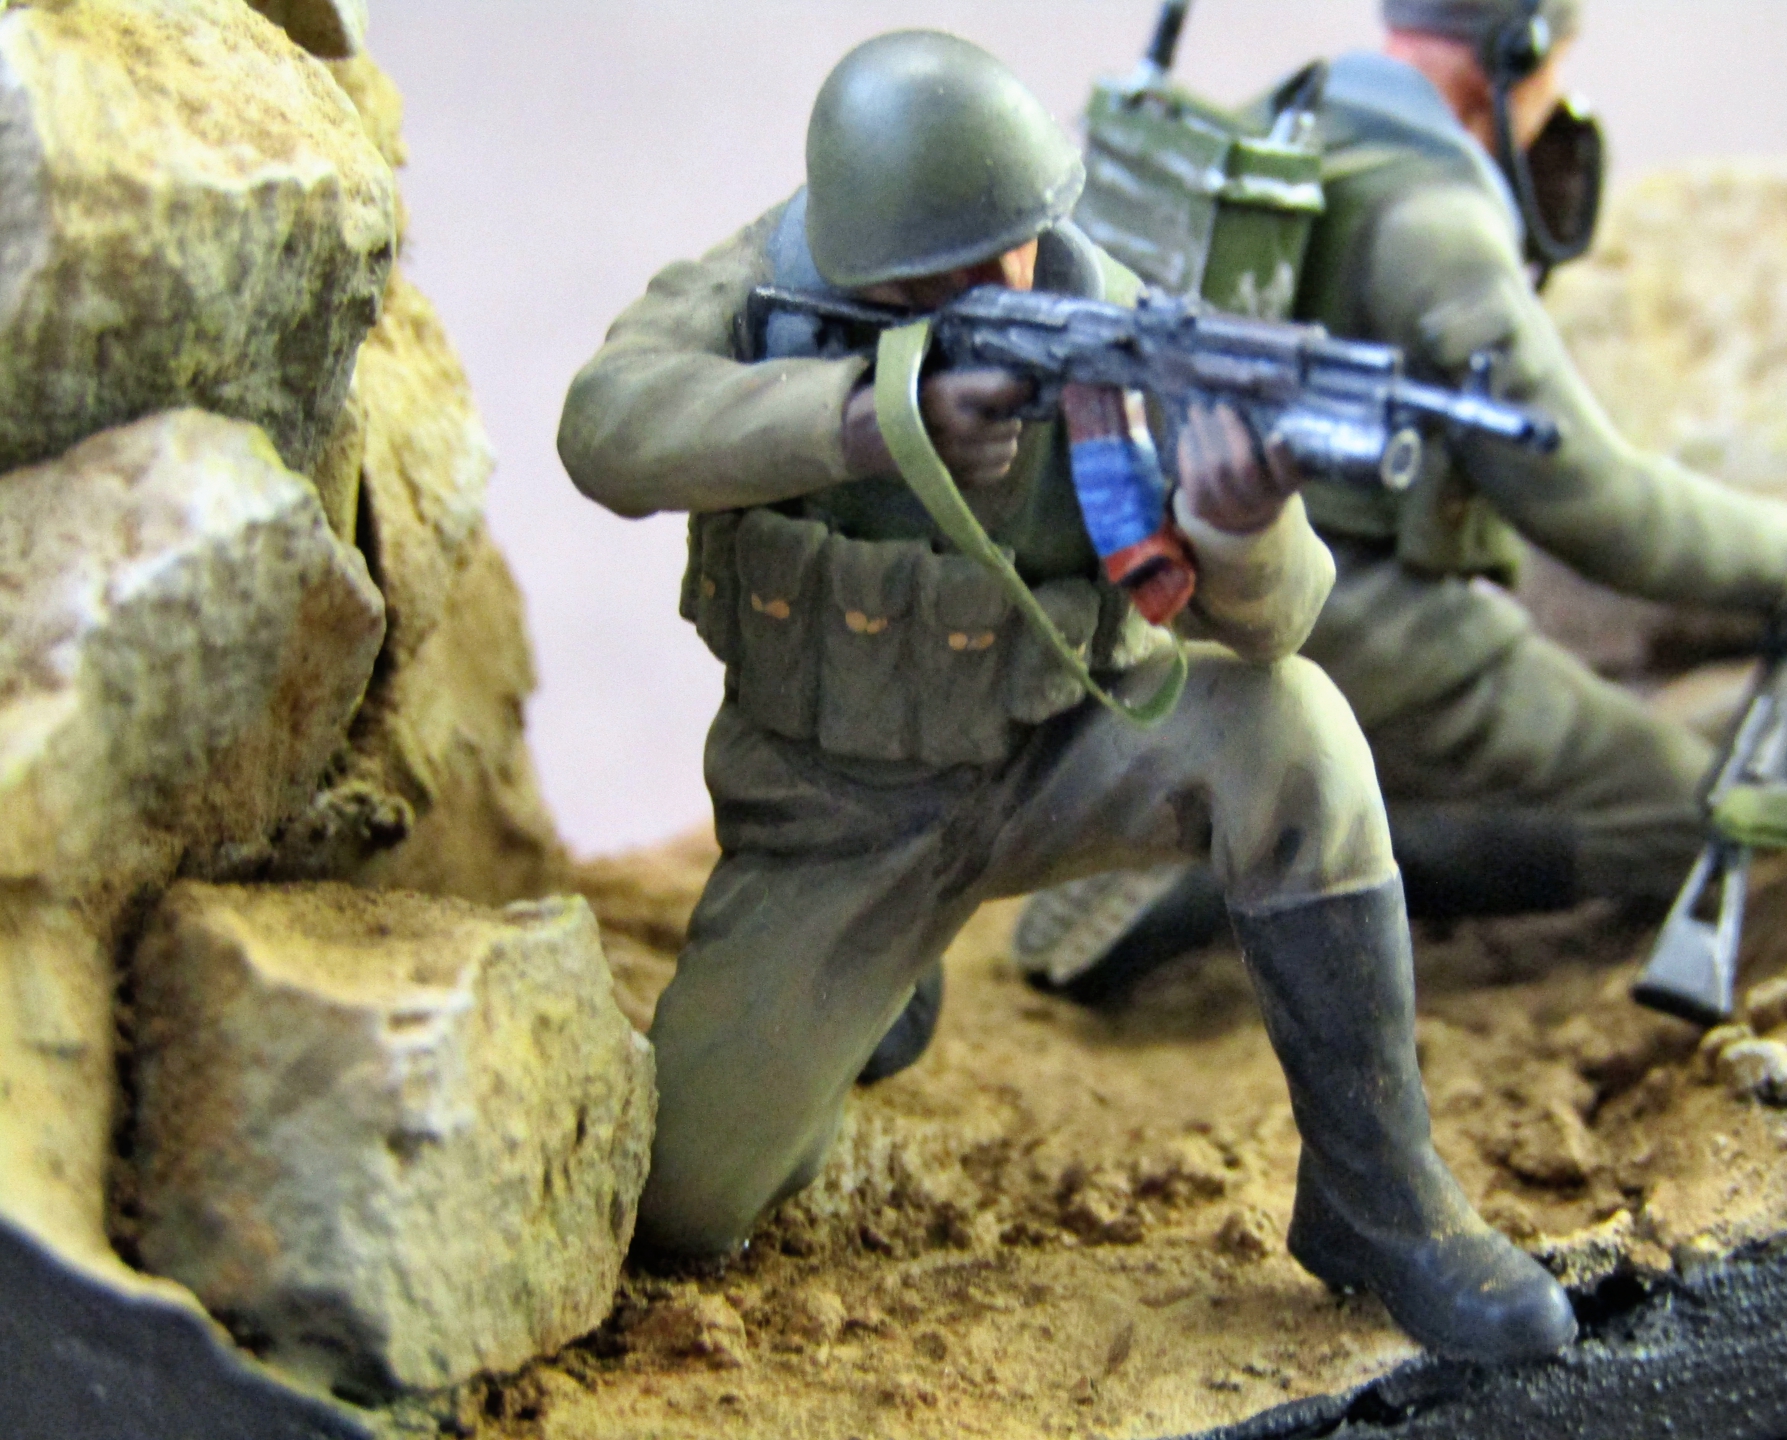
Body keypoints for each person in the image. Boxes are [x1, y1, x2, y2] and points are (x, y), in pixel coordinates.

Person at [558, 29, 1575, 1364]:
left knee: (1298, 732)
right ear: (859, 257)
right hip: (836, 820)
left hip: (1061, 757)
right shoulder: (767, 284)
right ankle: (874, 990)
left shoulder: (1123, 334)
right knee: (691, 1206)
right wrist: (868, 420)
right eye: (944, 274)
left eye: (1015, 250)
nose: (1000, 288)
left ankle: (1378, 1196)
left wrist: (1239, 523)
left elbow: (1278, 622)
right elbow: (605, 427)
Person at [1016, 0, 1787, 1003]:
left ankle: (1298, 793)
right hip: (1345, 608)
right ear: (1518, 53)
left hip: (1200, 569)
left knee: (1596, 678)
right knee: (1692, 815)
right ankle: (1266, 861)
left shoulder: (1301, 112)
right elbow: (1597, 505)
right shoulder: (1434, 220)